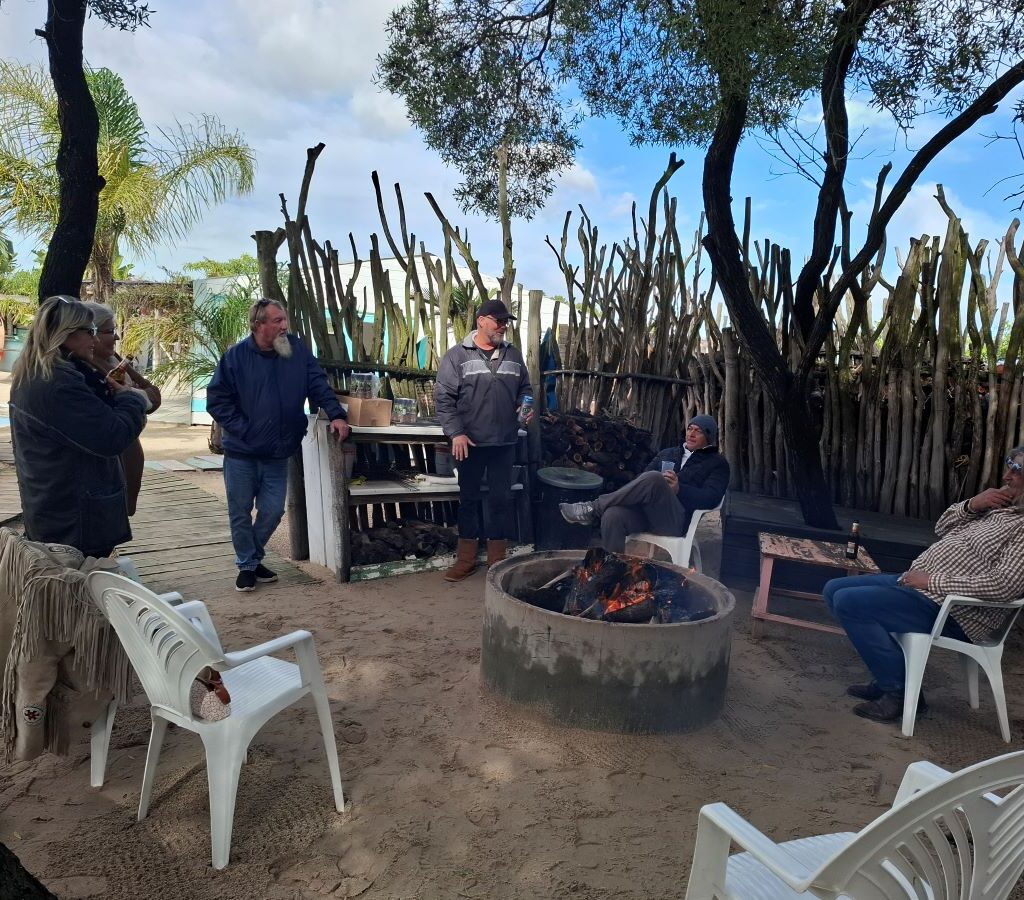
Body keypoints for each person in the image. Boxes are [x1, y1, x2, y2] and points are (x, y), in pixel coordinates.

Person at [824, 447, 1024, 724]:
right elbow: (942, 528)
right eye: (1008, 465)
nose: (1007, 475)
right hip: (921, 588)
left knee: (851, 604)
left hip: (954, 610)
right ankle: (889, 680)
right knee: (834, 589)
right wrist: (972, 506)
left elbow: (1004, 585)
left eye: (1017, 470)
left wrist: (931, 580)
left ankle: (901, 692)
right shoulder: (999, 509)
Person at [206, 298, 350, 592]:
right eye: (277, 321)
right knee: (240, 511)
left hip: (278, 451)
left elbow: (317, 384)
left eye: (285, 319)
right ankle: (247, 566)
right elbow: (217, 400)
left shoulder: (296, 351)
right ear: (258, 325)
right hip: (241, 452)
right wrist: (244, 429)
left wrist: (336, 414)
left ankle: (251, 558)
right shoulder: (234, 358)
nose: (285, 326)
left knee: (273, 511)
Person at [9, 296, 149, 558]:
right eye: (90, 331)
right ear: (68, 333)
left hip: (55, 507)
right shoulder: (59, 383)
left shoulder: (35, 373)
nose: (95, 341)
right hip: (75, 518)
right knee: (79, 593)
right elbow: (112, 437)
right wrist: (131, 399)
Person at [435, 298, 532, 581]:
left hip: (504, 441)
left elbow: (525, 388)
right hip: (470, 443)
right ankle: (465, 560)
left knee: (501, 499)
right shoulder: (457, 356)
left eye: (505, 322)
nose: (503, 326)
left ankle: (496, 561)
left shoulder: (513, 355)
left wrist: (525, 404)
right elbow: (444, 400)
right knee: (469, 499)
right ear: (481, 321)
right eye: (498, 321)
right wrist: (456, 433)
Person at [559, 415, 730, 553]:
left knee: (655, 478)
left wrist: (679, 489)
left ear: (708, 437)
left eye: (698, 431)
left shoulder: (716, 463)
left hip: (675, 520)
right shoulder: (668, 453)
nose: (691, 434)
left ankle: (592, 508)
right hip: (646, 514)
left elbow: (711, 498)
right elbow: (642, 479)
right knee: (613, 515)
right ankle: (613, 571)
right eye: (690, 428)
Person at [81, 301, 162, 516]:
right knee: (107, 514)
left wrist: (134, 396)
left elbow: (155, 395)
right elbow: (115, 408)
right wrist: (137, 397)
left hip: (130, 448)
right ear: (92, 333)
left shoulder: (114, 359)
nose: (116, 337)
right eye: (110, 331)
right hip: (112, 454)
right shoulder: (84, 369)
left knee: (122, 513)